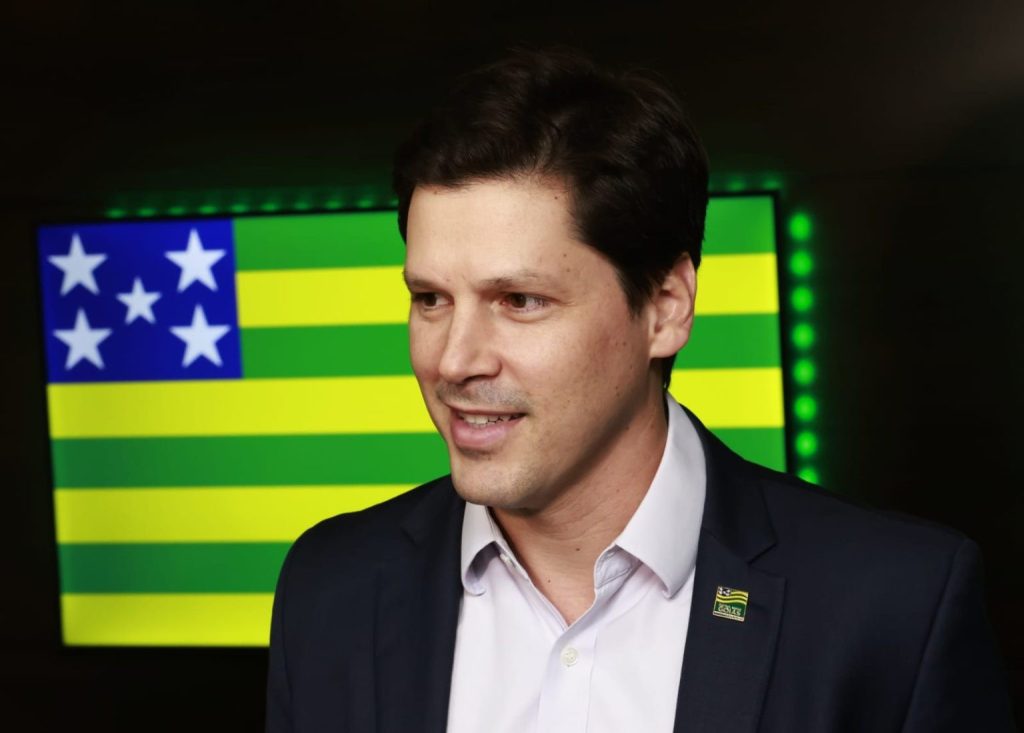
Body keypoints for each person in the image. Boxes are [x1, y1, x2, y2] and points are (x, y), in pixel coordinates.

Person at [266, 49, 1015, 732]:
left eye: (519, 300)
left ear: (665, 307)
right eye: (431, 299)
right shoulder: (331, 589)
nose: (454, 360)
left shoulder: (894, 606)